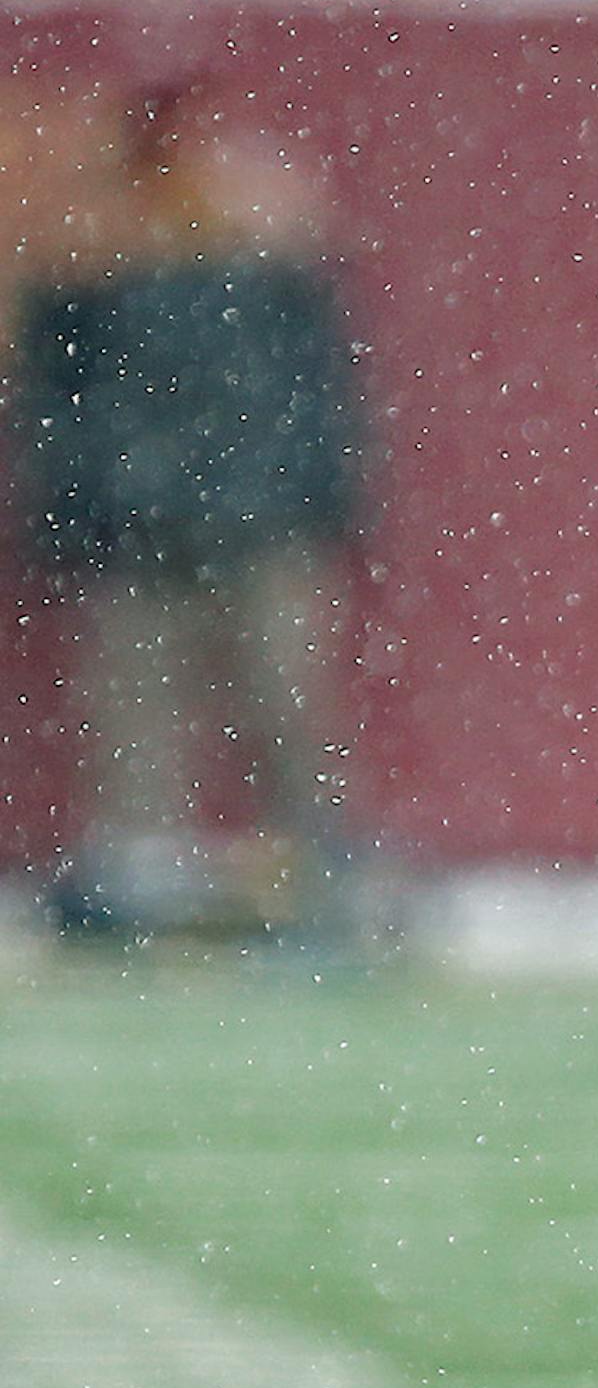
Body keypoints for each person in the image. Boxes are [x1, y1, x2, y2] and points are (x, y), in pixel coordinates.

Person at [11, 57, 367, 944]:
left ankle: (314, 871)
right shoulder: (91, 256)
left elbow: (315, 389)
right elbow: (58, 406)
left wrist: (306, 498)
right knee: (137, 712)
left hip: (249, 523)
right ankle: (142, 872)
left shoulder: (258, 244)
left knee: (279, 704)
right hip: (152, 529)